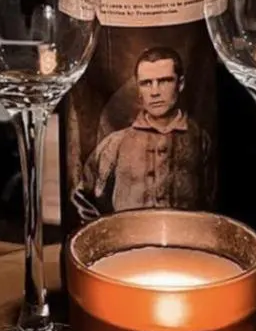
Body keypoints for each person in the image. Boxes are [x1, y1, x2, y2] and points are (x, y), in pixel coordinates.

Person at [72, 46, 215, 219]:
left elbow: (213, 201)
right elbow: (82, 196)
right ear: (139, 89)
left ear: (181, 83)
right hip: (127, 242)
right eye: (146, 83)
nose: (155, 92)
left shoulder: (200, 140)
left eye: (164, 81)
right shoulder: (116, 143)